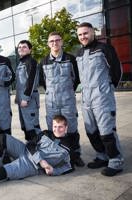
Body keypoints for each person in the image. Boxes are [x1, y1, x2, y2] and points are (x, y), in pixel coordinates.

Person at [0, 115, 74, 193]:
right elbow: (31, 145)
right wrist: (42, 160)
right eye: (55, 126)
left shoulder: (68, 147)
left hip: (30, 165)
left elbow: (69, 167)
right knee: (2, 138)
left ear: (66, 128)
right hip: (25, 151)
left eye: (60, 127)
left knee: (1, 173)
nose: (57, 129)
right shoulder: (46, 133)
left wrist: (53, 170)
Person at [76, 22, 123, 176]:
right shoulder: (79, 53)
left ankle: (116, 162)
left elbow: (117, 70)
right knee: (91, 130)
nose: (83, 36)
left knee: (107, 131)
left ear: (92, 33)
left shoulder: (104, 48)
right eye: (80, 34)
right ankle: (102, 156)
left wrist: (108, 88)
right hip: (86, 98)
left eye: (86, 33)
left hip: (102, 96)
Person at [39, 32, 84, 167]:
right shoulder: (43, 61)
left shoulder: (70, 59)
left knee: (71, 129)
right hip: (51, 103)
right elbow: (43, 81)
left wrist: (67, 91)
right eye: (51, 41)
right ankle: (57, 155)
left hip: (67, 102)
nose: (54, 43)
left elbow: (76, 79)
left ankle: (75, 155)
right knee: (54, 130)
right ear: (48, 44)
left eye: (57, 40)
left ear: (61, 42)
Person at [15, 40, 41, 141]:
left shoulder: (31, 61)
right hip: (22, 100)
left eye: (24, 47)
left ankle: (40, 151)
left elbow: (31, 80)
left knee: (33, 128)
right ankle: (31, 149)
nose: (21, 48)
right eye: (19, 47)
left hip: (29, 100)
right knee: (25, 127)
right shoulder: (21, 62)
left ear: (30, 50)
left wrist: (25, 98)